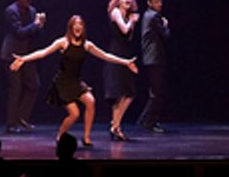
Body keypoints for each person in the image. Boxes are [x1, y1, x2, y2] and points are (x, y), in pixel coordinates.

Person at [10, 14, 138, 147]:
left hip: (76, 82)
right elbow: (43, 52)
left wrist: (125, 62)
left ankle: (86, 138)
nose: (78, 27)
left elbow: (105, 56)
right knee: (75, 114)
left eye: (80, 24)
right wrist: (24, 59)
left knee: (90, 101)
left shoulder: (87, 45)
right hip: (62, 83)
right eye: (75, 24)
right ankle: (60, 135)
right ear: (70, 27)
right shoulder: (63, 42)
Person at [1, 0, 47, 133]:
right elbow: (19, 32)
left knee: (34, 85)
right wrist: (35, 24)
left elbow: (34, 34)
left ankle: (21, 117)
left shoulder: (32, 11)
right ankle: (11, 124)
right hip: (11, 54)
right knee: (15, 88)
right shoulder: (11, 11)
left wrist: (40, 26)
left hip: (26, 56)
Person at [103, 0, 139, 141]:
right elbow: (124, 30)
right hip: (116, 54)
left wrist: (131, 21)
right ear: (117, 0)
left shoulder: (127, 15)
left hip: (125, 54)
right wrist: (132, 21)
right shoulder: (116, 12)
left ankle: (115, 125)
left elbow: (129, 37)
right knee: (120, 93)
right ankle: (115, 127)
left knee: (128, 93)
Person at [136, 0, 171, 133]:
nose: (160, 4)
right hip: (155, 58)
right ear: (149, 3)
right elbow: (166, 36)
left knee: (155, 92)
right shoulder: (155, 16)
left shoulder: (146, 15)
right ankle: (148, 122)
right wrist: (166, 25)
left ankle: (144, 119)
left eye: (161, 1)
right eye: (157, 2)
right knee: (157, 92)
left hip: (150, 58)